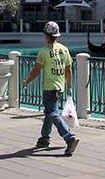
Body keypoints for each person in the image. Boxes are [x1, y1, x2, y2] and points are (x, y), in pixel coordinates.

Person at [23, 21, 79, 156]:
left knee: (53, 113)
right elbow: (69, 70)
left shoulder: (43, 52)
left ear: (46, 36)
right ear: (57, 36)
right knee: (49, 112)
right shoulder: (64, 49)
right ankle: (44, 139)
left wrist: (27, 81)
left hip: (49, 87)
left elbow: (36, 70)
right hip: (59, 87)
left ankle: (69, 137)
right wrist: (69, 86)